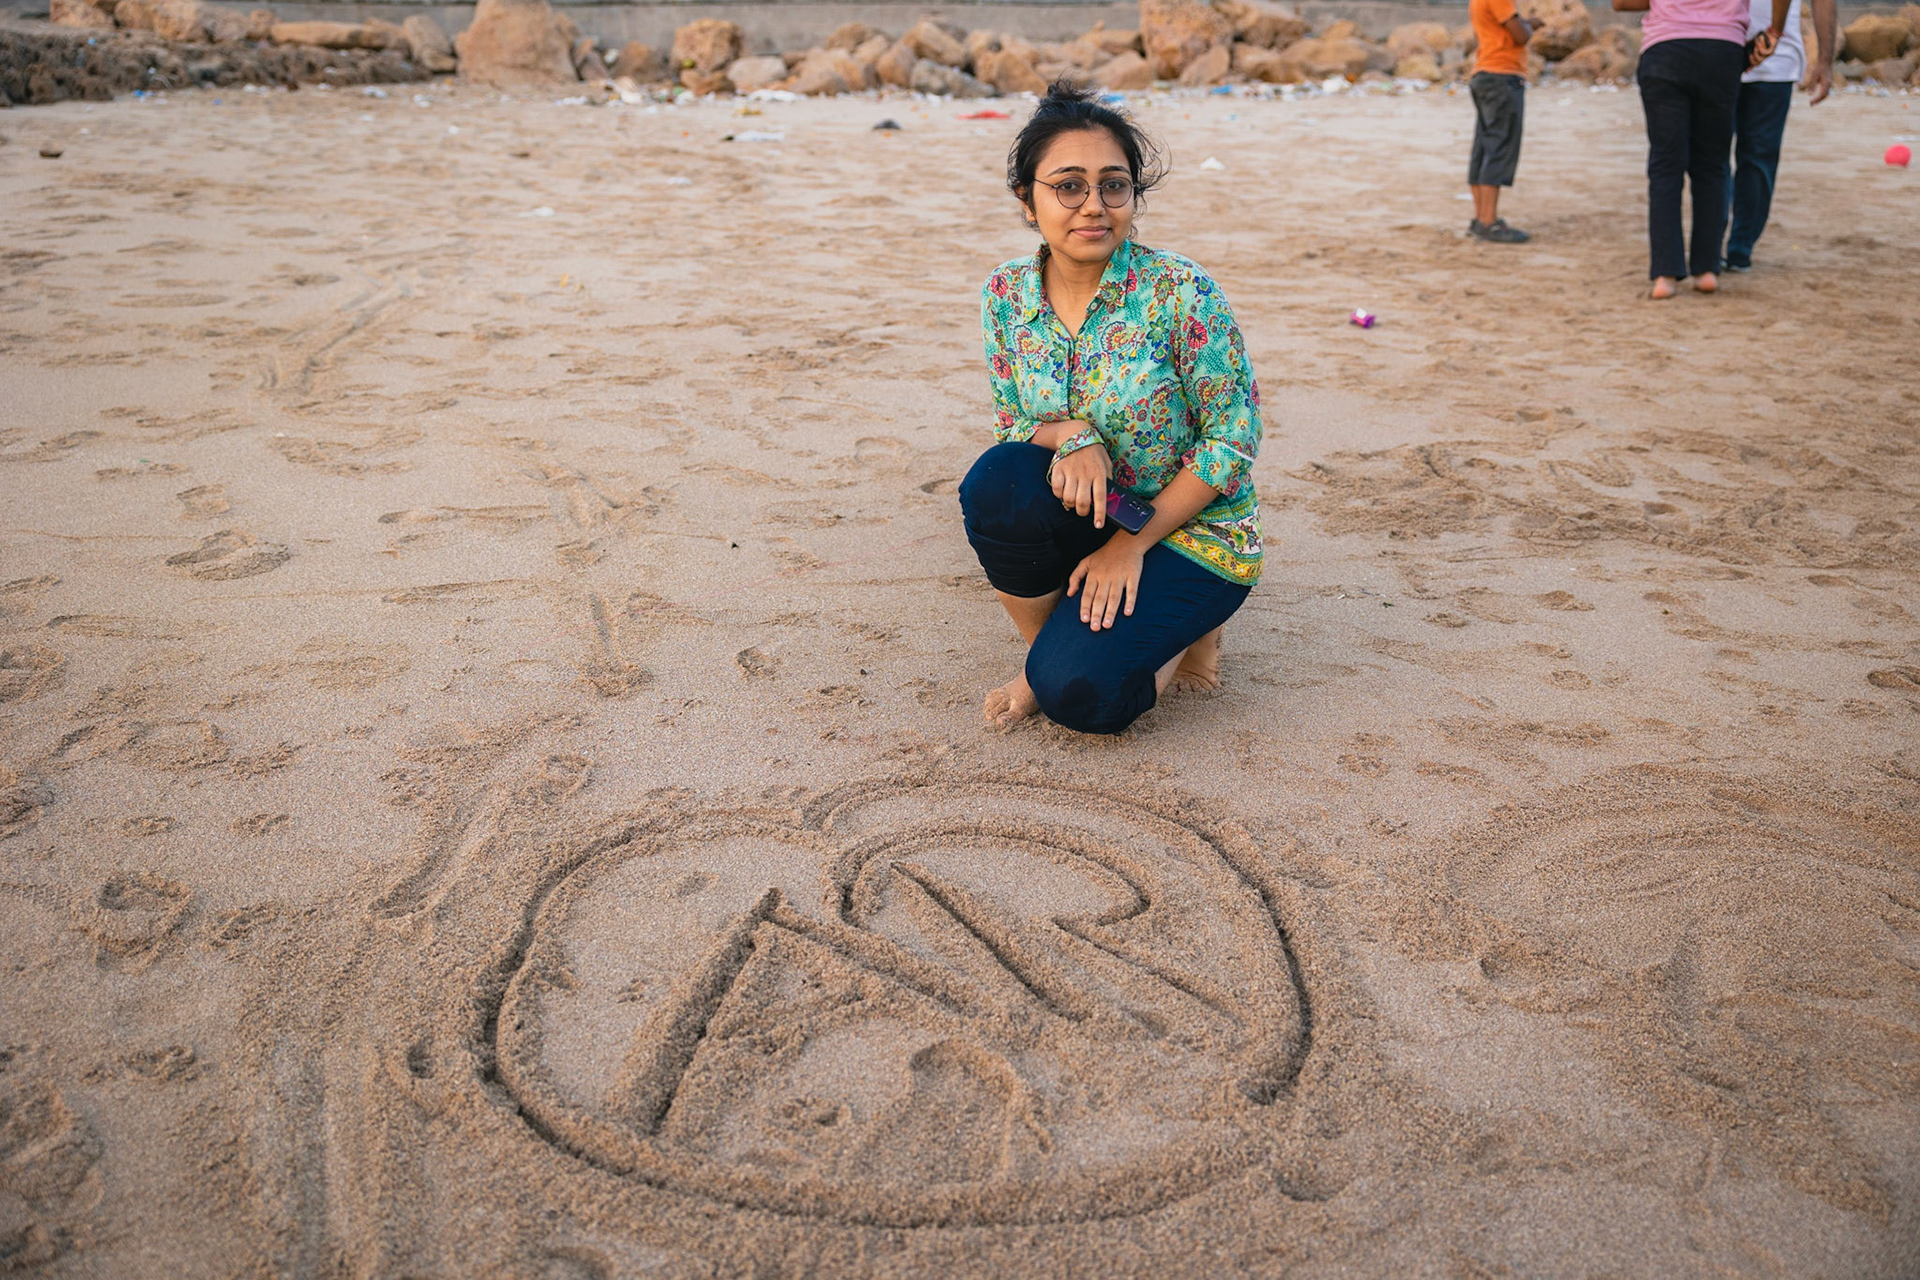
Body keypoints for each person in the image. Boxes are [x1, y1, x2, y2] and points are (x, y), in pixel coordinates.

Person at [959, 83, 1263, 735]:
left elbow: (1231, 441)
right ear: (1027, 199)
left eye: (1113, 186)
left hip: (1194, 530)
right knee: (997, 481)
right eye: (1068, 186)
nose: (1094, 205)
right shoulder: (1005, 294)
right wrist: (1072, 434)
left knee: (1083, 699)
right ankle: (1054, 654)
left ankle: (1182, 633)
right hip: (1087, 514)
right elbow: (1012, 426)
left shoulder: (1180, 290)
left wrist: (1132, 545)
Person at [1614, 0, 1789, 298]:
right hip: (1721, 49)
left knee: (1665, 166)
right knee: (1712, 163)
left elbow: (1620, 2)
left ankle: (1665, 275)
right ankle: (1706, 269)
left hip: (1666, 48)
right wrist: (1775, 31)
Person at [1723, 0, 1835, 271]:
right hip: (1717, 52)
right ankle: (1711, 249)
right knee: (1715, 160)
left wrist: (1825, 61)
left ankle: (1739, 249)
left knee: (1755, 160)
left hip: (1774, 59)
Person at [1466, 0, 1538, 243]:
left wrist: (1525, 23)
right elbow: (1520, 36)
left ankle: (1481, 218)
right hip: (1502, 76)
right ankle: (1489, 222)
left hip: (1484, 74)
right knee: (1499, 147)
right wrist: (1529, 26)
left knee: (1484, 148)